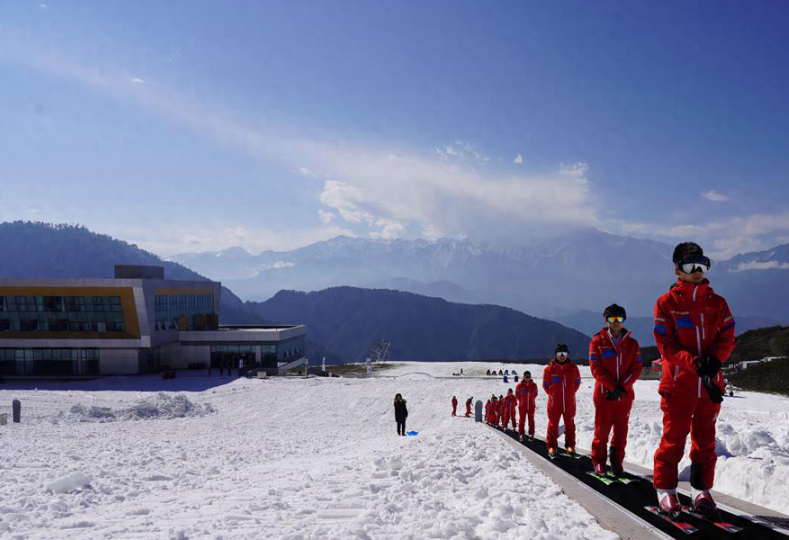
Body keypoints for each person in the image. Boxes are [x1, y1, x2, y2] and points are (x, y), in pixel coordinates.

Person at [652, 242, 735, 518]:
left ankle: (701, 490)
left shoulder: (718, 303)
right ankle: (666, 490)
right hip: (679, 386)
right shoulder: (667, 303)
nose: (697, 271)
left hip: (709, 386)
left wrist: (714, 360)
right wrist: (694, 363)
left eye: (702, 264)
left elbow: (727, 336)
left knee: (706, 441)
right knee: (673, 438)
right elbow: (666, 345)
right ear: (678, 269)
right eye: (690, 266)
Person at [589, 304, 643, 475]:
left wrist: (622, 387)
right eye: (612, 319)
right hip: (605, 396)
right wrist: (613, 387)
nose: (616, 323)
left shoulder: (632, 344)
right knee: (601, 431)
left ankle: (617, 462)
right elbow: (596, 368)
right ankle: (599, 462)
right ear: (606, 320)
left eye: (619, 319)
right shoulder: (597, 342)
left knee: (621, 433)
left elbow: (636, 368)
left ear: (624, 320)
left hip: (624, 397)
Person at [543, 344, 581, 456]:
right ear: (556, 354)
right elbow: (545, 385)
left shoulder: (573, 368)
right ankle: (551, 447)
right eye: (560, 354)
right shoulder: (549, 369)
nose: (562, 356)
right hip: (554, 403)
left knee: (569, 425)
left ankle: (570, 446)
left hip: (569, 403)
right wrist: (553, 395)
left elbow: (577, 382)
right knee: (553, 425)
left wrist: (571, 393)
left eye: (564, 353)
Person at [516, 371, 538, 441]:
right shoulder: (519, 386)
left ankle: (531, 434)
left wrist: (530, 396)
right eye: (526, 376)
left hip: (531, 406)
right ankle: (521, 434)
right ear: (523, 377)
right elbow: (517, 395)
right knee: (522, 421)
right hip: (522, 407)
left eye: (529, 376)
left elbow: (535, 394)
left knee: (531, 420)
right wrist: (522, 400)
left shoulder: (534, 385)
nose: (528, 378)